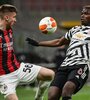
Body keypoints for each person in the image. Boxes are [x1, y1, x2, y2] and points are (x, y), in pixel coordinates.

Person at [26, 5, 90, 100]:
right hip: (65, 65)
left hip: (81, 64)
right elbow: (59, 42)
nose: (82, 16)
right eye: (82, 13)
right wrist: (39, 43)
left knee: (67, 89)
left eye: (86, 13)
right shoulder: (74, 29)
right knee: (52, 95)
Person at [0, 4, 55, 100]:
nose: (15, 20)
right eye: (14, 17)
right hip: (5, 77)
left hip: (18, 68)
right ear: (6, 17)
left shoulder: (9, 30)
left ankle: (38, 98)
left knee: (49, 74)